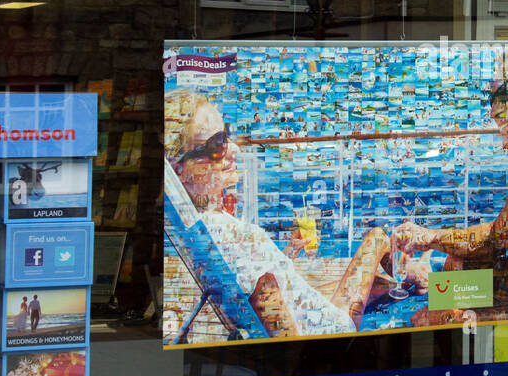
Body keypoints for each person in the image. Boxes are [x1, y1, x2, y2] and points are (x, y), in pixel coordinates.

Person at [165, 90, 392, 339]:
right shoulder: (231, 235)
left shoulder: (206, 232)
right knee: (376, 237)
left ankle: (387, 283)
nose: (234, 151)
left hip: (308, 314)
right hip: (330, 332)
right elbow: (286, 340)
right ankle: (389, 258)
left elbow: (264, 289)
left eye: (226, 136)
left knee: (377, 285)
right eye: (217, 145)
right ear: (180, 169)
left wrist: (287, 255)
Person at [391, 83, 508, 326]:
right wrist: (431, 239)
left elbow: (492, 241)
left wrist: (428, 237)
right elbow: (495, 236)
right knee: (459, 262)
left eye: (502, 117)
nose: (497, 124)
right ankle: (440, 306)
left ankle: (444, 316)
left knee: (438, 313)